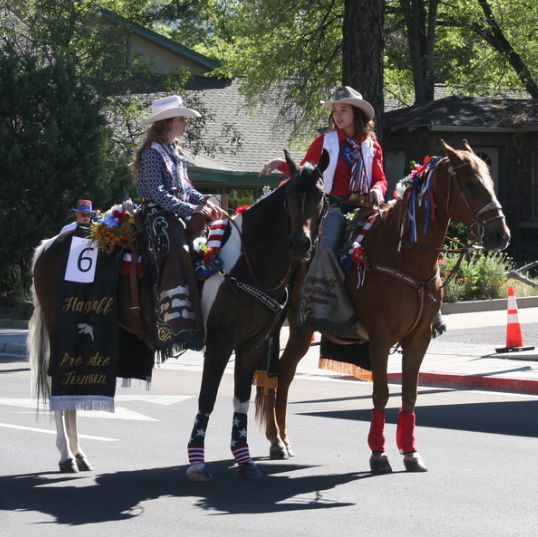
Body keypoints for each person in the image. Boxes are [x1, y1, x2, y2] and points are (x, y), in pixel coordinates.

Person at [260, 86, 388, 335]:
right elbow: (306, 175)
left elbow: (380, 178)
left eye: (344, 110)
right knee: (327, 246)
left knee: (398, 236)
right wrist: (280, 165)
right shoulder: (324, 141)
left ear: (356, 114)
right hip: (334, 206)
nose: (338, 115)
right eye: (335, 111)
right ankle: (327, 306)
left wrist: (380, 190)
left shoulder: (372, 145)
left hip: (366, 206)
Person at [132, 95, 227, 355]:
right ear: (166, 122)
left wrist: (208, 205)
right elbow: (156, 192)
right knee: (177, 248)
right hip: (157, 215)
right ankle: (176, 320)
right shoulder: (152, 151)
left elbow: (186, 189)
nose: (186, 123)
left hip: (176, 212)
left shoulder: (175, 150)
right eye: (181, 119)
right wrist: (191, 210)